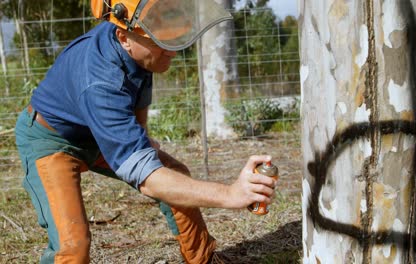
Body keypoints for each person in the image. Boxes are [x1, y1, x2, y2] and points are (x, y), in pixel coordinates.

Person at [14, 0, 277, 263]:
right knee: (73, 246)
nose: (172, 51)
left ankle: (203, 259)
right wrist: (232, 194)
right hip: (51, 141)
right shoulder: (100, 80)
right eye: (162, 43)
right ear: (123, 38)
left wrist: (143, 138)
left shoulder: (139, 42)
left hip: (98, 133)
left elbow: (138, 98)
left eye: (173, 40)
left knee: (174, 174)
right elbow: (150, 181)